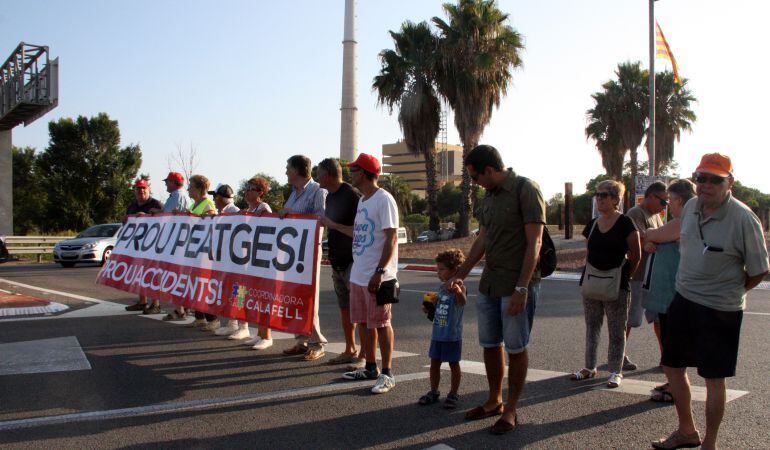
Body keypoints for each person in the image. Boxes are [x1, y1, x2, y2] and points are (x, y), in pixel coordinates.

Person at [652, 154, 768, 450]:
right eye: (700, 177)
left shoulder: (743, 218)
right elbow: (672, 233)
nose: (705, 185)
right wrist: (642, 235)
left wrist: (731, 291)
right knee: (673, 367)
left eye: (714, 179)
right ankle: (686, 431)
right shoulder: (690, 206)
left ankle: (710, 444)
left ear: (730, 182)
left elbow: (759, 270)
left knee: (713, 378)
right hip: (684, 300)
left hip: (721, 309)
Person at [450, 145, 546, 435]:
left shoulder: (525, 189)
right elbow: (482, 240)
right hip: (490, 284)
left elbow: (536, 243)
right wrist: (460, 274)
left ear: (490, 170)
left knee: (516, 348)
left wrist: (521, 287)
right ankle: (494, 400)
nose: (476, 183)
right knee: (490, 345)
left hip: (515, 284)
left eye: (476, 177)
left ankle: (512, 410)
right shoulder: (488, 198)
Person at [571, 180, 640, 389]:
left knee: (616, 330)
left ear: (615, 199)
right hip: (592, 282)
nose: (599, 199)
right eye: (597, 195)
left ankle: (615, 371)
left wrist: (625, 276)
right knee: (592, 327)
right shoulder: (592, 224)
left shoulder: (626, 223)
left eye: (604, 195)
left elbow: (636, 255)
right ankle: (589, 367)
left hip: (616, 284)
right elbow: (589, 252)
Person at [340, 153, 400, 395]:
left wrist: (380, 271)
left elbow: (391, 237)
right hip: (359, 274)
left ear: (363, 173)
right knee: (364, 322)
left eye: (353, 170)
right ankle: (370, 366)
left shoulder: (383, 200)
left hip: (378, 276)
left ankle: (387, 373)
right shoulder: (363, 200)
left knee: (382, 323)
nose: (350, 174)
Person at [640, 179, 696, 403]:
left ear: (680, 200)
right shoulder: (679, 223)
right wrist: (652, 239)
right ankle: (673, 381)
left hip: (675, 295)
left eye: (670, 200)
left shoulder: (683, 222)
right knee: (669, 341)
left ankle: (676, 386)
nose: (667, 205)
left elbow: (651, 234)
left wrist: (653, 236)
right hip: (668, 295)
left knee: (674, 346)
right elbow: (651, 237)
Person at [317, 158, 365, 367]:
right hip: (336, 261)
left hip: (353, 262)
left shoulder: (352, 195)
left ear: (327, 174)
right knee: (345, 309)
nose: (316, 177)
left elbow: (360, 231)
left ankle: (365, 355)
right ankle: (349, 349)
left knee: (360, 311)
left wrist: (333, 225)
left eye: (318, 173)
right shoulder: (330, 196)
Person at [279, 155, 329, 361]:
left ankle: (317, 342)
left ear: (298, 170)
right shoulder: (293, 193)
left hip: (309, 252)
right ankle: (301, 340)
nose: (285, 172)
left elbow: (324, 219)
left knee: (309, 296)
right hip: (292, 253)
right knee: (294, 294)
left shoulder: (318, 191)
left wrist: (295, 216)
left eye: (288, 168)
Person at [624, 181, 668, 371]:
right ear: (651, 197)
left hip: (653, 275)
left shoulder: (657, 216)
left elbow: (659, 237)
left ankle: (666, 357)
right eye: (663, 201)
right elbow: (641, 238)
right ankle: (619, 354)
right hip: (637, 275)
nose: (665, 205)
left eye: (667, 202)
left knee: (659, 318)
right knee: (629, 319)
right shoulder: (636, 213)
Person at [418, 249, 466, 410]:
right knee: (434, 363)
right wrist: (429, 309)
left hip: (452, 335)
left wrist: (458, 292)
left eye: (442, 269)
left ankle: (453, 393)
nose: (438, 273)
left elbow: (462, 302)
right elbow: (439, 309)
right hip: (438, 333)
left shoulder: (459, 287)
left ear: (454, 270)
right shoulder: (441, 288)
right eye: (437, 269)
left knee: (454, 364)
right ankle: (434, 391)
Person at [209, 184, 252, 340]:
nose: (213, 199)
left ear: (220, 198)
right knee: (230, 292)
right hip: (226, 261)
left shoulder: (235, 213)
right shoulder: (223, 213)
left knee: (239, 293)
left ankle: (243, 326)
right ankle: (232, 323)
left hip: (238, 263)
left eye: (215, 196)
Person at [239, 176, 275, 350]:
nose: (247, 191)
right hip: (247, 260)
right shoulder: (247, 210)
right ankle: (258, 333)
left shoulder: (263, 208)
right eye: (247, 188)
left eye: (251, 188)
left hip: (260, 261)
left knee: (262, 297)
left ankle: (267, 335)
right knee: (247, 296)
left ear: (260, 192)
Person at [123, 178, 163, 313]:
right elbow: (126, 221)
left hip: (153, 245)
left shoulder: (155, 204)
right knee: (139, 273)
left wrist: (146, 216)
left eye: (143, 188)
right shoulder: (132, 205)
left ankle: (156, 304)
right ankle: (142, 302)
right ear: (135, 191)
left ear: (148, 189)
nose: (141, 191)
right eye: (138, 189)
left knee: (152, 273)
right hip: (137, 245)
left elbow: (166, 219)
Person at [157, 172, 193, 322]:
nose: (166, 184)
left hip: (175, 241)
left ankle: (180, 309)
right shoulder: (185, 196)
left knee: (174, 276)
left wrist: (155, 214)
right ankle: (183, 307)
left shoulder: (176, 196)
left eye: (168, 182)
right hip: (183, 241)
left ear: (173, 182)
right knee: (181, 276)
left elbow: (166, 216)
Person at [186, 174, 219, 330]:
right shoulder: (193, 205)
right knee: (195, 284)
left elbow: (213, 222)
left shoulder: (208, 204)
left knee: (204, 285)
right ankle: (199, 317)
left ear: (199, 188)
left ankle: (213, 319)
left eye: (191, 186)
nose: (188, 189)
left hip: (204, 252)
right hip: (194, 250)